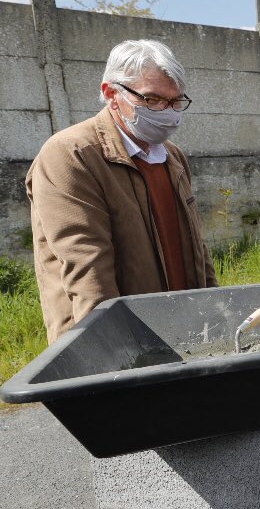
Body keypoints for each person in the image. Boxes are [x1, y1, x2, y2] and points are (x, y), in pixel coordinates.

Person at [26, 39, 216, 342]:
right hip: (117, 340)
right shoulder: (72, 154)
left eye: (175, 101)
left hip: (182, 328)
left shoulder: (172, 156)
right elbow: (88, 272)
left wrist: (214, 311)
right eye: (152, 100)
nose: (166, 112)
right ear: (112, 94)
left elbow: (196, 247)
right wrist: (109, 359)